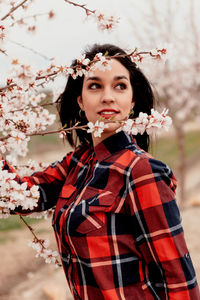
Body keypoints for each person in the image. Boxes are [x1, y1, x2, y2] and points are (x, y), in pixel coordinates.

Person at [1, 43, 200, 300]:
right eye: (95, 86)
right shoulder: (77, 163)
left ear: (132, 100)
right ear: (81, 101)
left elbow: (178, 280)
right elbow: (18, 195)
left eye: (120, 86)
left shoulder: (141, 172)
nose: (108, 96)